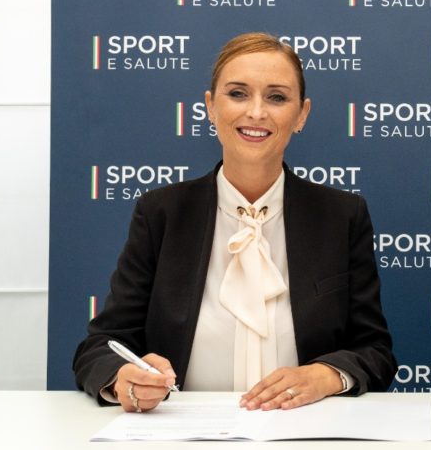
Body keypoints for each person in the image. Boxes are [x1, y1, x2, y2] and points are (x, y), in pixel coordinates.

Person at [74, 32, 395, 412]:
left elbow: (375, 351)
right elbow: (101, 347)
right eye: (238, 94)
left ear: (301, 115)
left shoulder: (341, 216)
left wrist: (326, 375)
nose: (256, 112)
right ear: (211, 106)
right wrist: (125, 378)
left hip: (304, 431)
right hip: (183, 432)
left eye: (277, 97)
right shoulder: (161, 213)